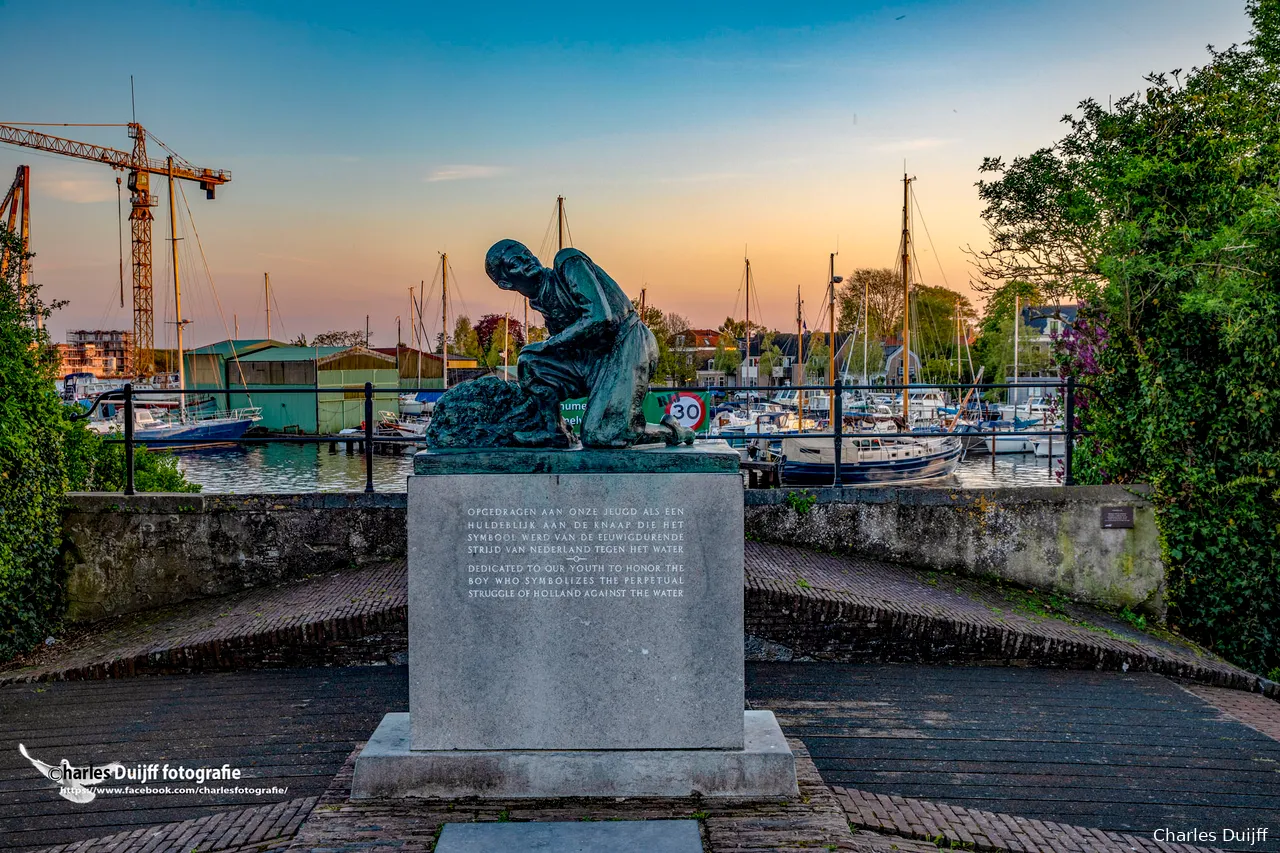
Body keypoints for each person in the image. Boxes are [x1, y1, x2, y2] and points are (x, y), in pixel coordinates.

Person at [485, 239, 693, 448]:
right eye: (515, 263)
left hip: (627, 344)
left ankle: (672, 431)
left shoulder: (568, 262)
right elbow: (567, 344)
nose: (527, 260)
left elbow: (600, 317)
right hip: (591, 358)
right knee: (529, 361)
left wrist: (548, 345)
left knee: (601, 436)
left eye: (526, 253)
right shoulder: (541, 300)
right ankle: (553, 431)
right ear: (506, 283)